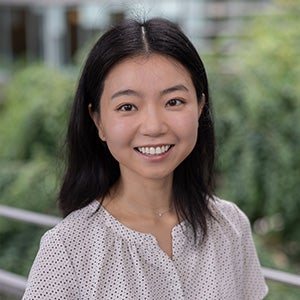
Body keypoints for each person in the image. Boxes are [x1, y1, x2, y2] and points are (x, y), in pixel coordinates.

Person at [22, 17, 268, 299]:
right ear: (98, 120)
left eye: (174, 101)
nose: (154, 126)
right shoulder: (67, 248)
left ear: (200, 106)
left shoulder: (230, 226)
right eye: (127, 106)